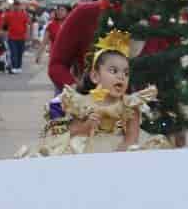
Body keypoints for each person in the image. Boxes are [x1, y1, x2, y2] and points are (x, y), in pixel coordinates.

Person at [30, 29, 168, 156]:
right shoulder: (82, 103)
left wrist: (116, 158)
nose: (121, 77)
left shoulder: (130, 104)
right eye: (113, 71)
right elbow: (71, 131)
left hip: (120, 152)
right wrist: (86, 126)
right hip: (87, 150)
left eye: (126, 73)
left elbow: (132, 138)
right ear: (95, 76)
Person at [3, 0, 32, 74]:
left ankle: (18, 67)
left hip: (21, 37)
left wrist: (28, 36)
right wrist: (4, 33)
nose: (16, 6)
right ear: (13, 6)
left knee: (20, 53)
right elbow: (4, 25)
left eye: (18, 5)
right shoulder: (8, 15)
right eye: (15, 5)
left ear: (20, 6)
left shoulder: (24, 15)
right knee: (14, 53)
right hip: (11, 37)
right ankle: (14, 67)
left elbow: (28, 25)